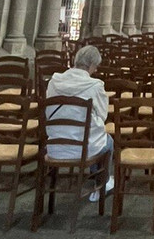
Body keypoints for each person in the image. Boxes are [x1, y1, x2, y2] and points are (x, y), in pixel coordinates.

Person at [45, 45, 113, 201]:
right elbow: (102, 116)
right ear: (90, 66)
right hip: (82, 149)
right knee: (107, 141)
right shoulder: (95, 85)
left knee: (94, 137)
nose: (95, 71)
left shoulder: (54, 81)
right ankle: (102, 183)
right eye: (95, 67)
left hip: (53, 147)